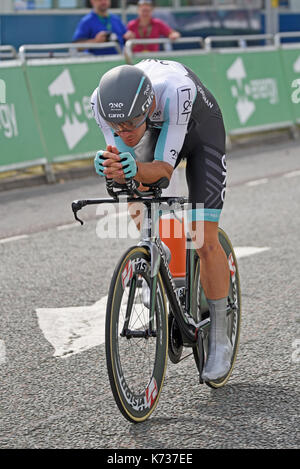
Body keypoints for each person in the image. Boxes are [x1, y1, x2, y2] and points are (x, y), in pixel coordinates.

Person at [91, 61, 231, 381]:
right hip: (157, 132)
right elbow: (123, 160)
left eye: (129, 124)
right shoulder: (99, 102)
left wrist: (132, 166)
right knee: (134, 186)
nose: (122, 132)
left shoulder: (175, 93)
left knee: (203, 238)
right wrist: (112, 166)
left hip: (199, 134)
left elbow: (164, 172)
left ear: (148, 106)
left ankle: (220, 336)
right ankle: (163, 269)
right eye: (116, 125)